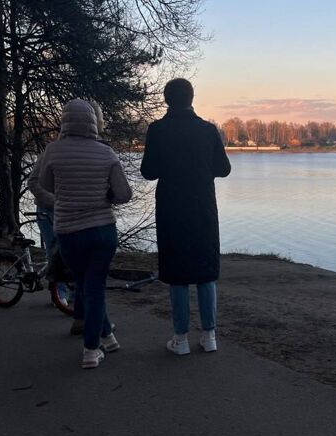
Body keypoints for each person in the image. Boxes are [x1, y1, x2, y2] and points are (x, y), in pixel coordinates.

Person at [140, 78, 231, 355]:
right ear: (192, 98)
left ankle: (180, 339)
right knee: (206, 270)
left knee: (177, 272)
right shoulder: (208, 130)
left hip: (171, 208)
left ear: (166, 100)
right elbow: (224, 169)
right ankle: (209, 335)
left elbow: (148, 171)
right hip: (203, 207)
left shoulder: (157, 130)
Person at [40, 99, 133, 369]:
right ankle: (95, 346)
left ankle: (104, 340)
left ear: (64, 120)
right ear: (93, 121)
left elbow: (46, 185)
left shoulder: (53, 151)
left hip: (69, 232)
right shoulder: (106, 153)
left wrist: (68, 190)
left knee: (85, 284)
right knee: (93, 286)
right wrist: (106, 195)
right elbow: (124, 194)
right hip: (102, 230)